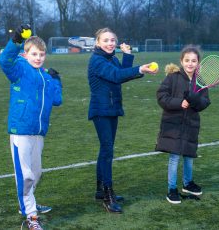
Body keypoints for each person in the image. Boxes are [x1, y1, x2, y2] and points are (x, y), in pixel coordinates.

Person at [0, 24, 62, 230]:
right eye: (34, 53)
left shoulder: (45, 77)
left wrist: (56, 80)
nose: (38, 57)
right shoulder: (19, 68)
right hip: (21, 130)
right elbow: (4, 60)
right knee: (25, 174)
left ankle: (28, 202)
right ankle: (31, 215)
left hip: (39, 132)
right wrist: (16, 40)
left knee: (36, 172)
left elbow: (57, 100)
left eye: (42, 54)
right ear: (26, 54)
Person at [87, 27, 158, 213]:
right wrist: (140, 68)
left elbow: (123, 75)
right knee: (107, 151)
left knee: (105, 149)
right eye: (106, 40)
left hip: (112, 109)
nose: (110, 43)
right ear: (97, 43)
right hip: (101, 110)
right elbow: (116, 75)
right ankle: (108, 194)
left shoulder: (112, 58)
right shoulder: (97, 60)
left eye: (112, 40)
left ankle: (100, 190)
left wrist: (128, 56)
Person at [155, 45, 211, 204]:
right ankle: (171, 189)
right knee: (174, 157)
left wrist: (194, 100)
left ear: (198, 63)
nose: (190, 64)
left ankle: (188, 183)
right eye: (187, 60)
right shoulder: (173, 77)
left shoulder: (200, 81)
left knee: (189, 155)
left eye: (194, 61)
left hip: (191, 125)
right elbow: (162, 97)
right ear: (181, 61)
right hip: (173, 124)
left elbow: (204, 102)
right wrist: (180, 102)